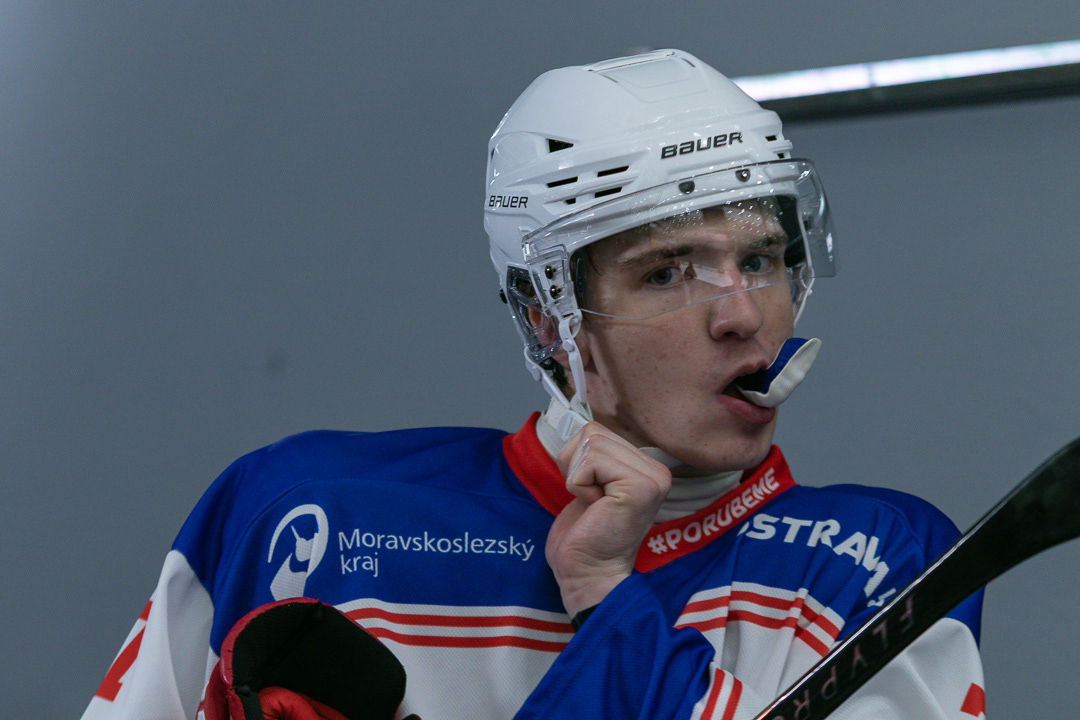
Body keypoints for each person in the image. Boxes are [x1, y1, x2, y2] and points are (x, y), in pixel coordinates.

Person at [82, 49, 984, 720]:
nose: (743, 315)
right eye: (668, 272)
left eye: (761, 258)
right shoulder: (307, 515)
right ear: (547, 319)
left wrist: (608, 596)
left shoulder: (880, 563)